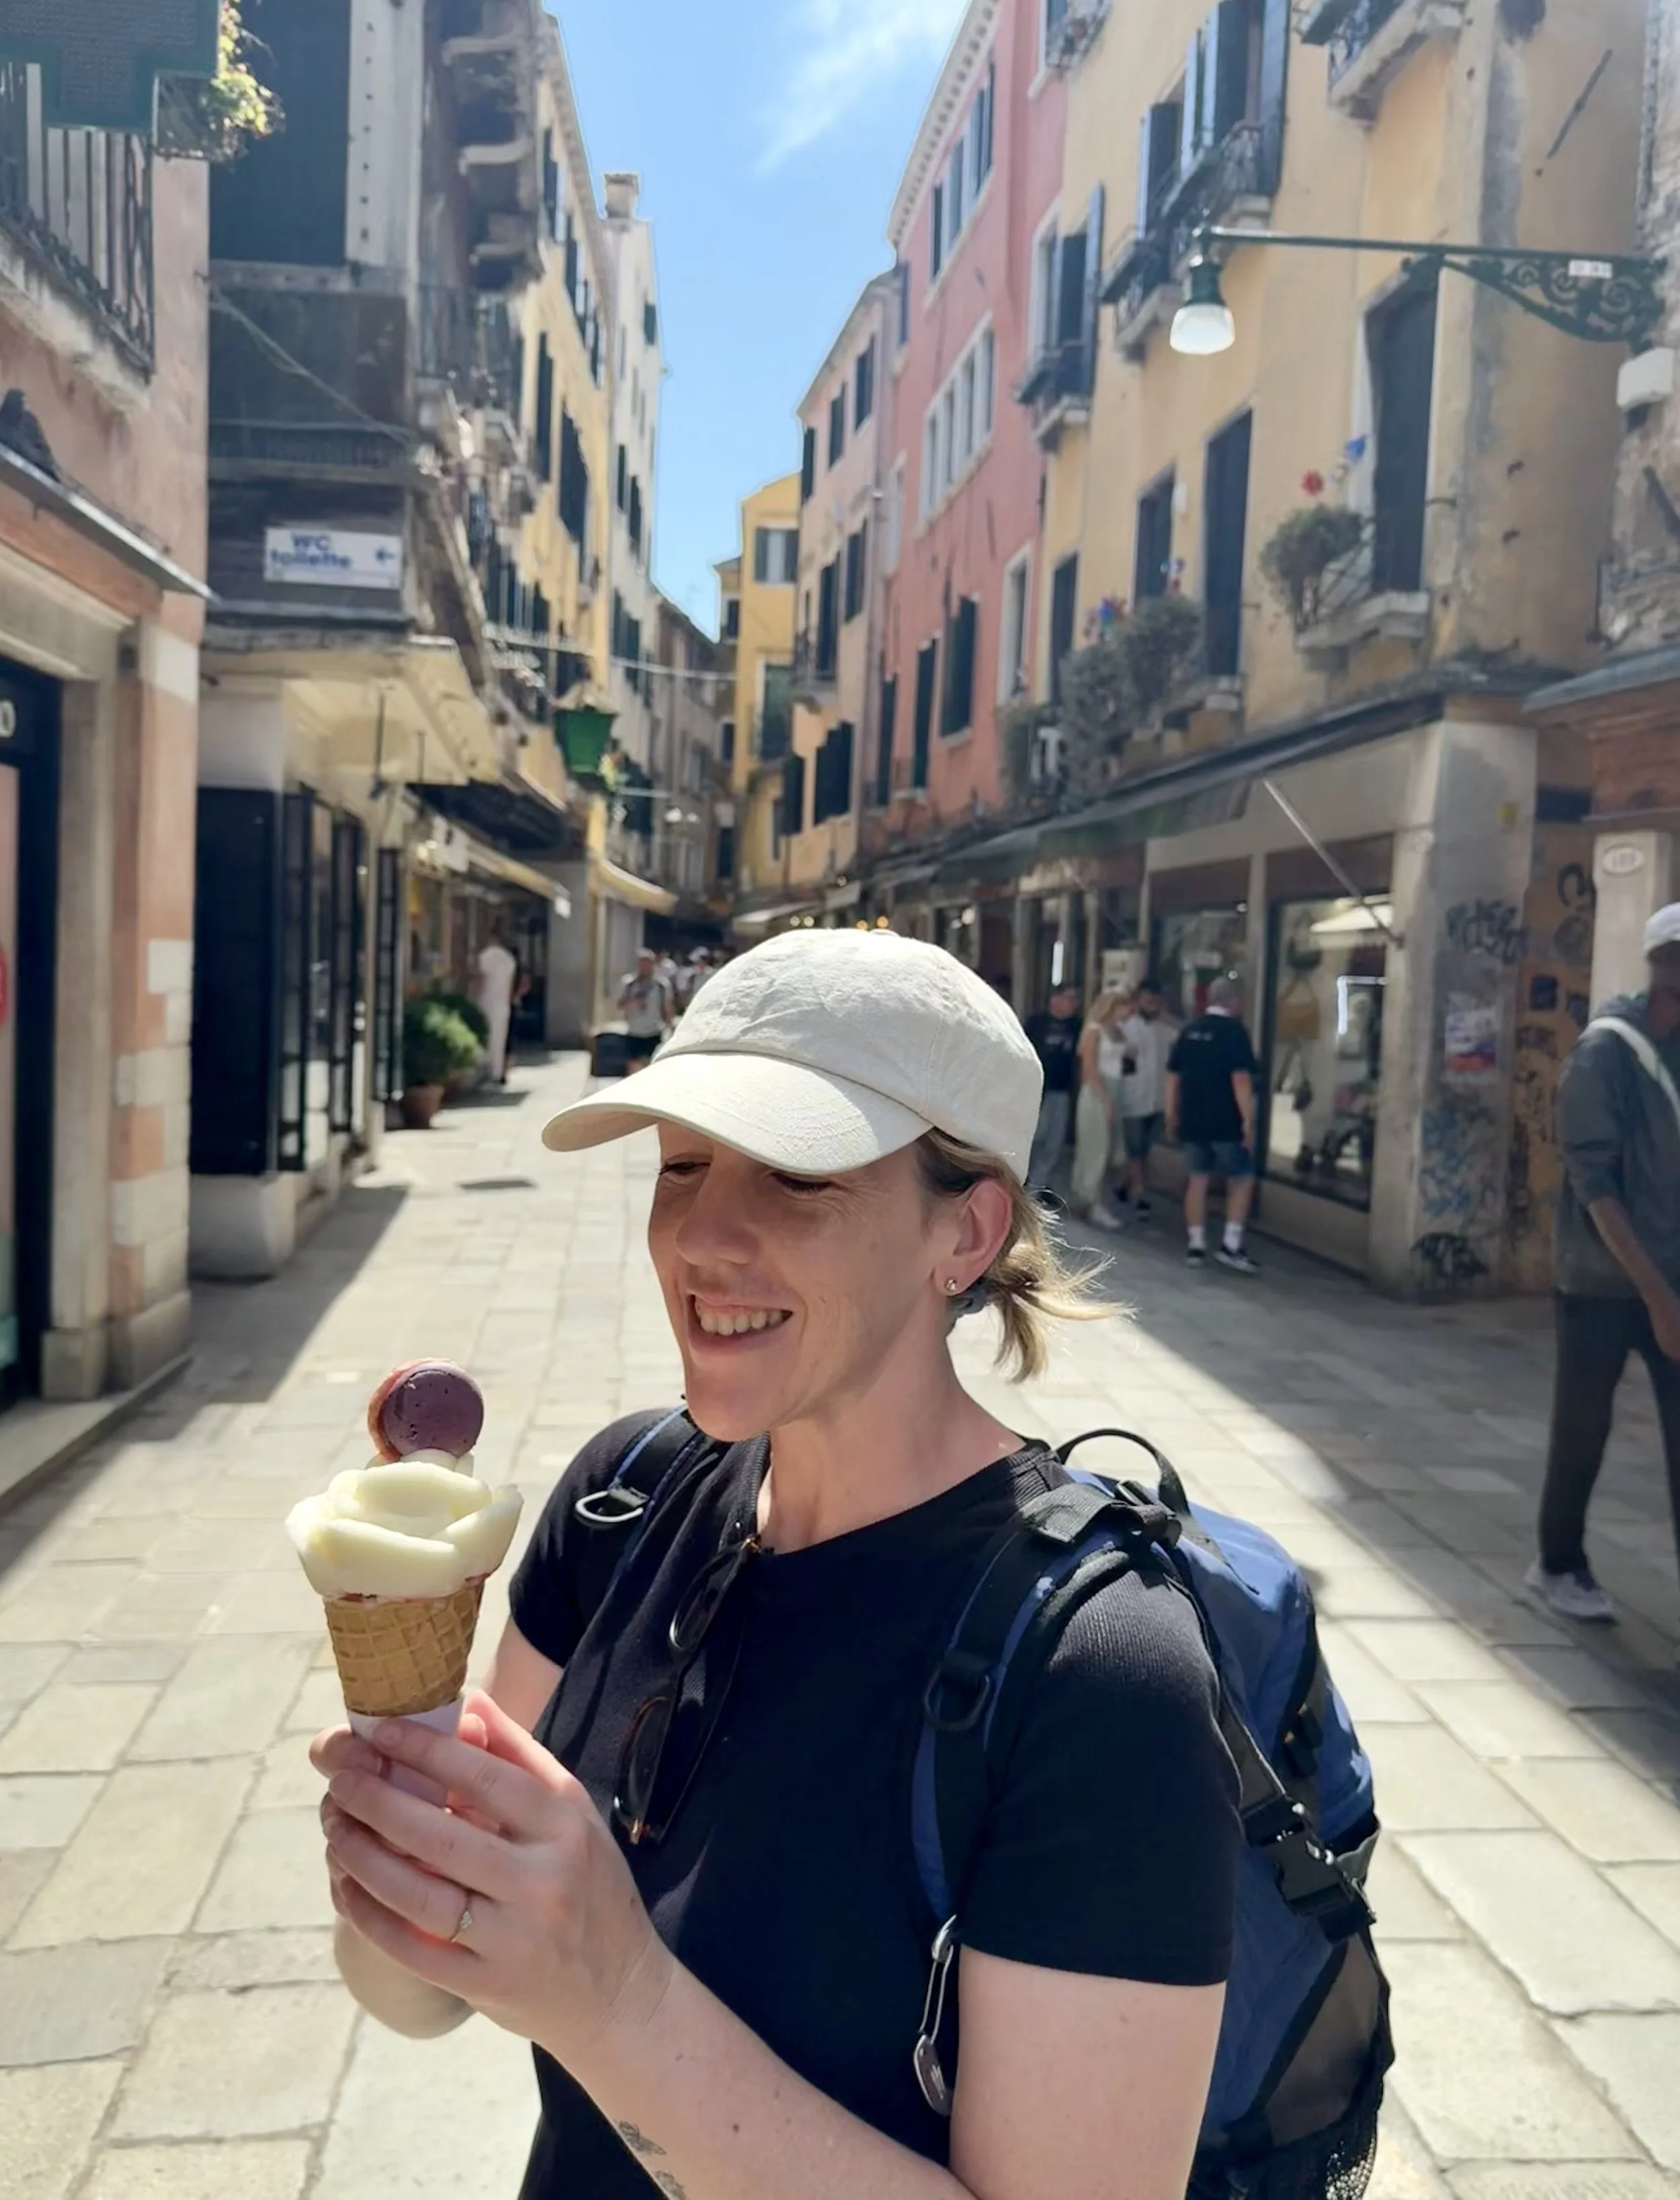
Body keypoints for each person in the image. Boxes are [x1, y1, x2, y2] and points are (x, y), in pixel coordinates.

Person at [310, 930, 1238, 2200]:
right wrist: (398, 1836)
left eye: (799, 1178)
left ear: (964, 1233)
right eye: (682, 1166)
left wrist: (620, 1999)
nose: (703, 1238)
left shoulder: (1100, 1672)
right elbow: (416, 1991)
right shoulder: (620, 1502)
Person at [1532, 903, 1680, 1624]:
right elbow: (1596, 1185)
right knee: (1582, 1428)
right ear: (1664, 970)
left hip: (1671, 1282)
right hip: (1600, 1283)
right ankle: (1558, 1562)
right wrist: (1657, 1297)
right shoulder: (1604, 1052)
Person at [1166, 975, 1260, 1274]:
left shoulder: (1190, 1031)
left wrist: (1172, 1113)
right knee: (1242, 1178)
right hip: (1226, 1121)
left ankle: (1196, 1243)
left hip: (1193, 1118)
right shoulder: (1235, 1033)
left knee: (1198, 1179)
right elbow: (1241, 1078)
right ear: (1233, 1001)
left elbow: (1173, 1077)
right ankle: (1231, 1244)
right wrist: (1248, 1121)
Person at [1070, 989, 1132, 1228]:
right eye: (1123, 1007)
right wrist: (1106, 1101)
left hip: (1115, 1089)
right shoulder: (1094, 1031)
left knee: (1109, 1148)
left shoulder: (1118, 1032)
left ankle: (1090, 1197)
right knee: (1096, 1147)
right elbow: (1090, 1071)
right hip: (1098, 1092)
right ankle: (1090, 1199)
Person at [1023, 982, 1081, 1198]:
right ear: (1054, 999)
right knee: (1036, 1137)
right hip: (1037, 1089)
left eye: (1076, 1000)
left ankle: (1038, 1188)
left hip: (1062, 1089)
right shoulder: (1036, 1022)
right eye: (1069, 998)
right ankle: (1024, 1179)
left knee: (1054, 1141)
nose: (1073, 1004)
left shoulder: (1076, 1025)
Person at [1116, 980, 1168, 1223]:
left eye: (1156, 1002)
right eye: (1148, 1001)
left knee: (1144, 1150)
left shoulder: (1165, 1030)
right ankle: (1139, 1195)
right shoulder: (1125, 1028)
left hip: (1157, 1102)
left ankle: (1127, 1186)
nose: (1152, 1005)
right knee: (1135, 1149)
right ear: (1138, 1001)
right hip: (1132, 1100)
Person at [474, 930, 519, 1086]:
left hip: (485, 1001)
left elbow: (479, 980)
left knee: (485, 1038)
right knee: (499, 1039)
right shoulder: (509, 960)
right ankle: (497, 1072)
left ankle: (485, 1071)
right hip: (503, 1004)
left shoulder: (485, 957)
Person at [617, 948, 673, 1073]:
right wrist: (634, 1002)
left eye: (648, 963)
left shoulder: (662, 985)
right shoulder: (628, 984)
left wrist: (670, 1026)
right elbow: (620, 1006)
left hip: (654, 1031)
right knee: (633, 1068)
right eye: (642, 963)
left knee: (652, 1068)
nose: (645, 967)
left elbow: (667, 1007)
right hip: (634, 1032)